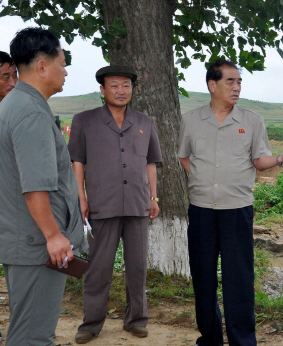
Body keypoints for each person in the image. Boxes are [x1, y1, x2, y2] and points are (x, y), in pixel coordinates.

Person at [178, 59, 283, 346]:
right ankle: (209, 339)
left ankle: (242, 341)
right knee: (203, 277)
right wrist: (202, 181)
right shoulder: (192, 120)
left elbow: (260, 162)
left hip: (238, 210)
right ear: (212, 85)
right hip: (201, 211)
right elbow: (184, 157)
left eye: (239, 82)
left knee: (239, 280)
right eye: (230, 81)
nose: (237, 87)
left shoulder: (252, 120)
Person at [0, 27, 87, 345]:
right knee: (33, 338)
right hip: (38, 246)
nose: (65, 72)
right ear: (41, 66)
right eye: (62, 64)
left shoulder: (15, 105)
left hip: (27, 241)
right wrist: (53, 236)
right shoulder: (30, 113)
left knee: (27, 332)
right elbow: (35, 185)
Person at [68, 65, 162, 343]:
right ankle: (91, 323)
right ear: (102, 90)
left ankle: (136, 320)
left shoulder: (145, 121)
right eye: (114, 85)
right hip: (102, 204)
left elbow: (150, 163)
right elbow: (78, 163)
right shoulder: (84, 120)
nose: (121, 91)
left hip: (137, 204)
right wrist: (81, 198)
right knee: (98, 268)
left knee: (137, 266)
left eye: (126, 86)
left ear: (133, 90)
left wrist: (153, 197)